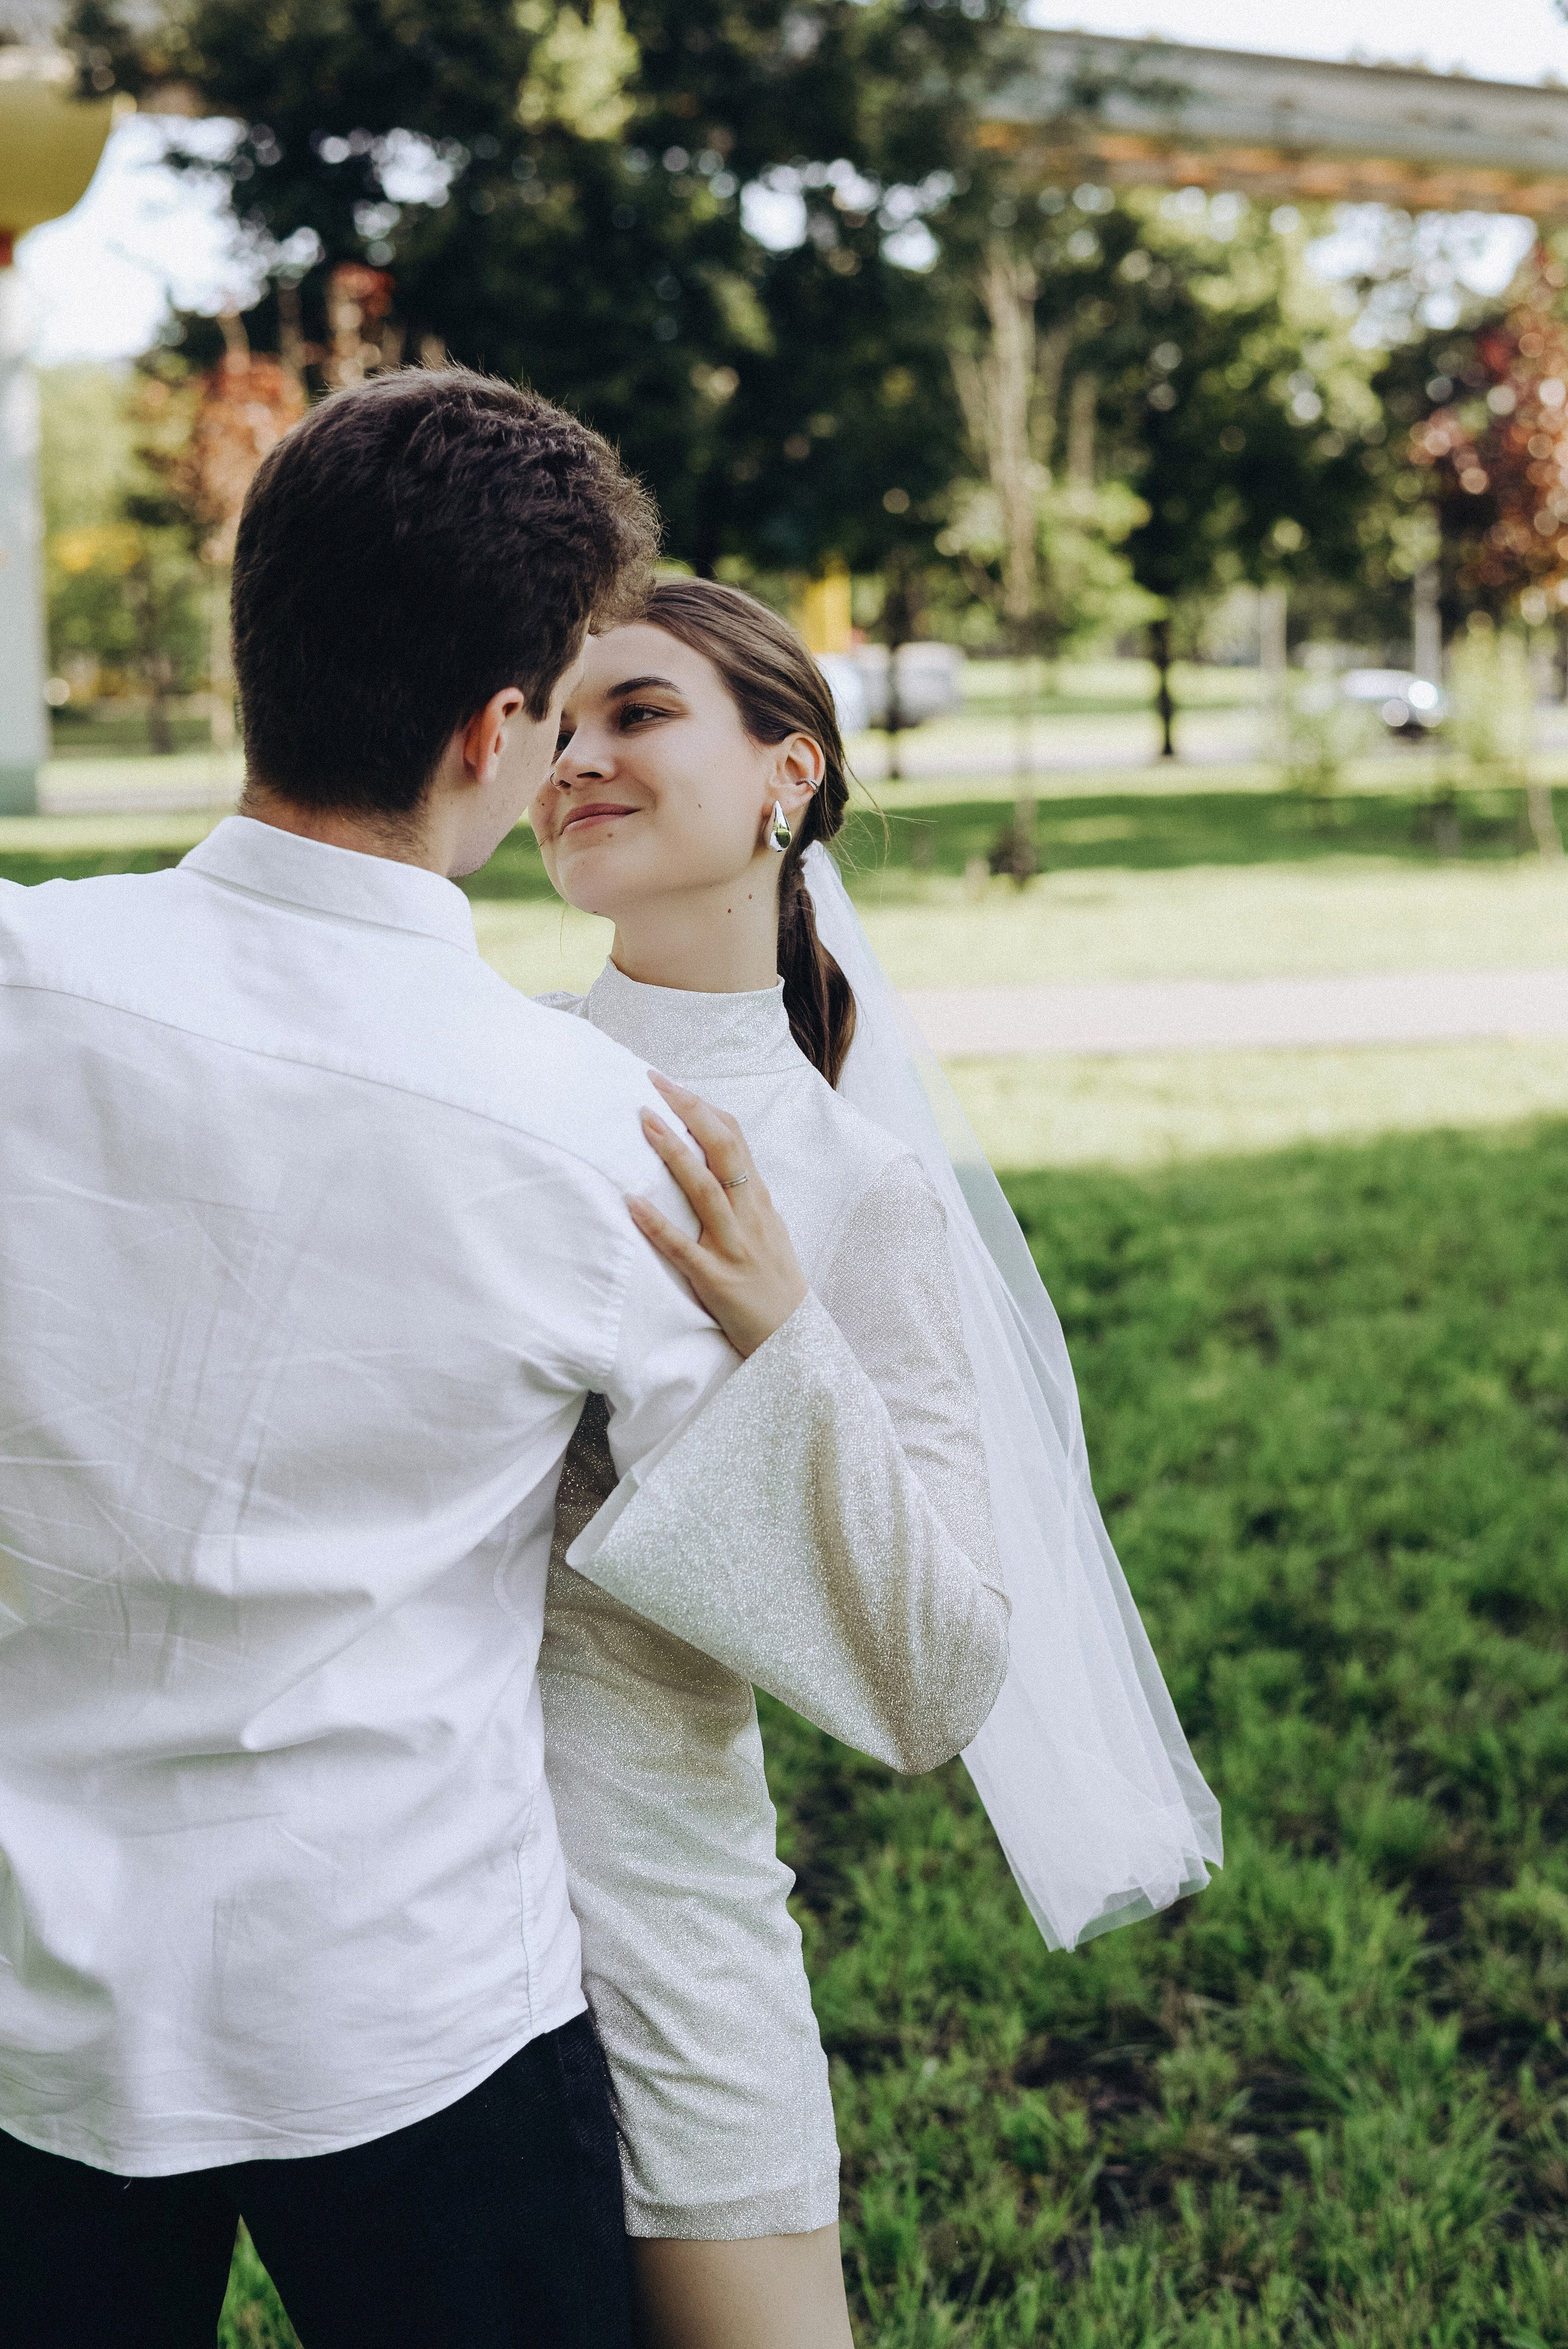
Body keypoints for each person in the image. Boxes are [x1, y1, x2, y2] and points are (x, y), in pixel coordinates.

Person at [0, 372, 1005, 2349]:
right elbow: (927, 1676)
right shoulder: (600, 1139)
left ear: (251, 646)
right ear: (497, 734)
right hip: (411, 2017)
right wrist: (783, 1344)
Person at [530, 579, 1223, 2349]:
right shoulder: (490, 1094)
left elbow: (944, 1677)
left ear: (788, 775)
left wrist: (787, 1337)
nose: (575, 753)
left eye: (636, 712)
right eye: (557, 718)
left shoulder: (855, 1190)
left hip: (660, 1906)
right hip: (405, 1913)